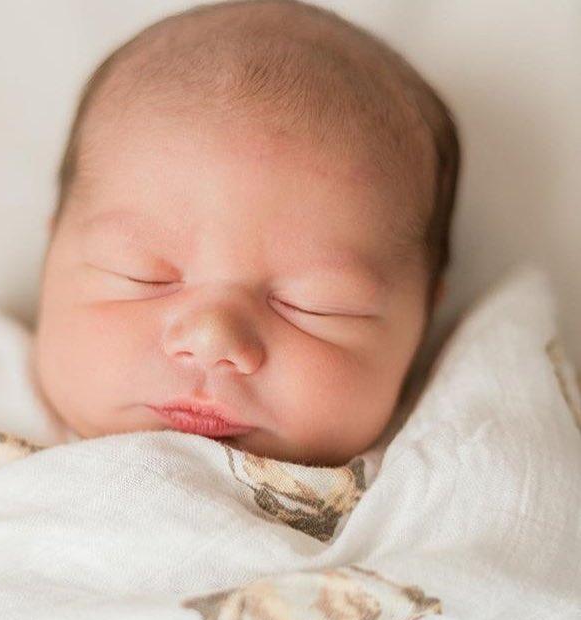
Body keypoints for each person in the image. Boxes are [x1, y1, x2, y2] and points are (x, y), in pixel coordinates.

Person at [31, 0, 460, 469]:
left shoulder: (448, 469)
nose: (213, 339)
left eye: (313, 304)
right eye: (141, 275)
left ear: (423, 322)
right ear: (50, 256)